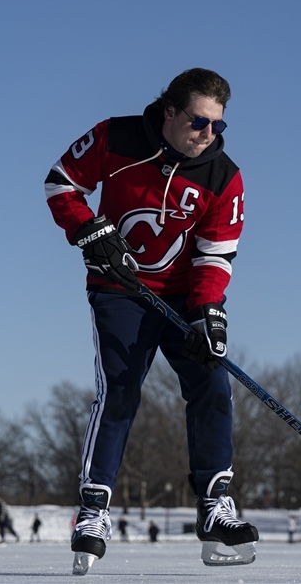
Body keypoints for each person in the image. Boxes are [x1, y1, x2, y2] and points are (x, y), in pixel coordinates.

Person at [45, 68, 257, 573]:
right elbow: (62, 183)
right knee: (120, 391)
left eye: (218, 127)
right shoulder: (114, 137)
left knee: (213, 384)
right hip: (121, 291)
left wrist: (208, 313)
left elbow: (215, 255)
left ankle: (215, 506)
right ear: (170, 112)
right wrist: (89, 231)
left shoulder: (223, 176)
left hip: (186, 297)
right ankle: (94, 510)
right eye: (198, 122)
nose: (208, 134)